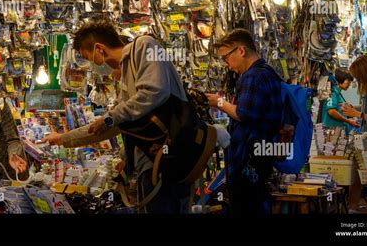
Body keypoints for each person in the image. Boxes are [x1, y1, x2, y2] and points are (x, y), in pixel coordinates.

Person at [42, 20, 190, 214]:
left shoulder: (145, 45)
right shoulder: (126, 76)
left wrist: (110, 118)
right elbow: (112, 125)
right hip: (151, 163)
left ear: (99, 49)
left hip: (170, 158)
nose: (91, 67)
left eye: (88, 59)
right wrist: (64, 139)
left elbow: (155, 91)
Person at [205, 28, 282, 216]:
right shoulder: (267, 72)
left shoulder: (253, 76)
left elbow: (244, 114)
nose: (227, 65)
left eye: (226, 57)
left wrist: (218, 102)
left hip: (249, 155)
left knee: (246, 203)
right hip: (261, 152)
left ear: (241, 51)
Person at [322, 69, 359, 133]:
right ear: (340, 80)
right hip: (332, 131)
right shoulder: (332, 92)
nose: (349, 83)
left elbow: (337, 108)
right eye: (348, 81)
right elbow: (331, 111)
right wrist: (348, 121)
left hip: (338, 130)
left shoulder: (338, 93)